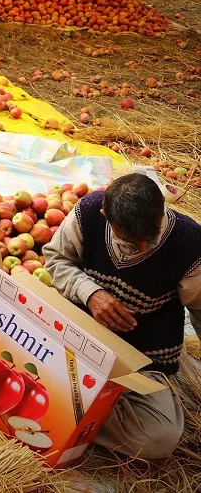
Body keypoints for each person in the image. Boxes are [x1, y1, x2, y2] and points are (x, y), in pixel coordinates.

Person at [44, 173, 201, 459]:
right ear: (107, 217)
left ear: (161, 209)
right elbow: (56, 260)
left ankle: (60, 407)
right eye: (129, 240)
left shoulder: (189, 244)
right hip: (77, 337)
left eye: (149, 239)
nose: (142, 249)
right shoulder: (89, 213)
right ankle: (70, 404)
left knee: (159, 439)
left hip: (141, 357)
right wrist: (89, 292)